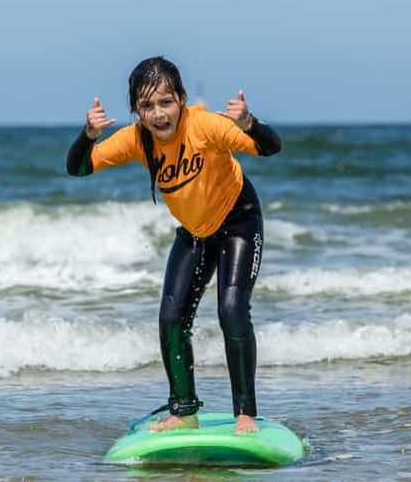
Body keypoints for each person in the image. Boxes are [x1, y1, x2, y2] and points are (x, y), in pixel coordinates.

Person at [66, 57, 281, 434]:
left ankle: (245, 414)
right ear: (136, 111)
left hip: (239, 221)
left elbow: (269, 148)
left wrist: (249, 122)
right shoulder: (137, 140)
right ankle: (184, 412)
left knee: (231, 310)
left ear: (181, 99)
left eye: (165, 102)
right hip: (195, 232)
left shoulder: (206, 125)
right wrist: (88, 134)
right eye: (147, 106)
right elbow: (79, 168)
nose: (158, 113)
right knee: (171, 318)